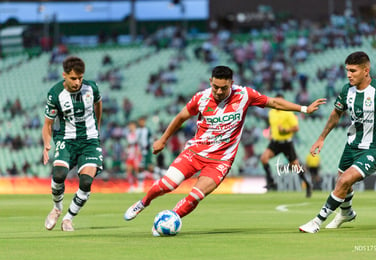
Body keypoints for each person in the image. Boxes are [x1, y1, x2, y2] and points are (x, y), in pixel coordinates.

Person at [123, 65, 326, 234]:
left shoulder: (245, 95)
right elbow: (181, 117)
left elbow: (273, 102)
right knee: (167, 184)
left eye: (223, 87)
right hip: (194, 153)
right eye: (216, 87)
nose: (219, 91)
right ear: (211, 81)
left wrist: (304, 108)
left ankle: (170, 220)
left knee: (195, 195)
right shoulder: (201, 98)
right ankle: (143, 203)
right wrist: (163, 139)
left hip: (221, 160)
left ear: (231, 82)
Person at [299, 51, 376, 233]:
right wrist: (321, 138)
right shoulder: (346, 90)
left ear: (366, 70)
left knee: (344, 181)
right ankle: (346, 212)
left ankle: (317, 221)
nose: (349, 75)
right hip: (352, 145)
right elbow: (335, 114)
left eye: (353, 71)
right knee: (341, 181)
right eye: (347, 70)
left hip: (375, 148)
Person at [42, 56, 103, 232]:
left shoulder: (91, 88)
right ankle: (57, 208)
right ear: (64, 76)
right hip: (66, 139)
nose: (77, 82)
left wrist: (97, 125)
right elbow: (48, 124)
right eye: (73, 78)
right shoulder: (55, 94)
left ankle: (68, 219)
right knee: (59, 174)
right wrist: (47, 144)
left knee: (85, 181)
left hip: (89, 141)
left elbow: (98, 104)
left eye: (80, 78)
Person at [260, 93, 313, 197]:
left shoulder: (288, 113)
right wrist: (271, 134)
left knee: (296, 166)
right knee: (263, 158)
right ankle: (271, 182)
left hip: (286, 143)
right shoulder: (271, 112)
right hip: (275, 142)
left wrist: (285, 130)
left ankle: (307, 184)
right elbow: (272, 126)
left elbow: (296, 128)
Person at [124, 121, 143, 193]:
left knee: (137, 170)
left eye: (132, 125)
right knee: (129, 170)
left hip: (136, 155)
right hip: (130, 154)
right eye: (130, 126)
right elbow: (129, 144)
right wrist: (126, 152)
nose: (130, 127)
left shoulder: (138, 134)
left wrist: (139, 151)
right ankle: (131, 186)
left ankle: (140, 186)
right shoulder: (128, 134)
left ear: (135, 126)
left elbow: (140, 143)